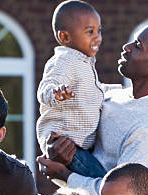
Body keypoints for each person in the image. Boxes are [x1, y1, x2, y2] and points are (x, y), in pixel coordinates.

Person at [38, 23, 148, 195]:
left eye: (137, 46)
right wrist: (56, 151)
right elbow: (81, 153)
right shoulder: (110, 96)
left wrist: (64, 175)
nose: (126, 47)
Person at [36, 0, 108, 179]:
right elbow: (46, 86)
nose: (97, 37)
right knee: (101, 180)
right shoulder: (65, 61)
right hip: (65, 144)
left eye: (99, 31)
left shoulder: (84, 62)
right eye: (90, 32)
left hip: (80, 143)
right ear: (65, 37)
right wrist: (56, 93)